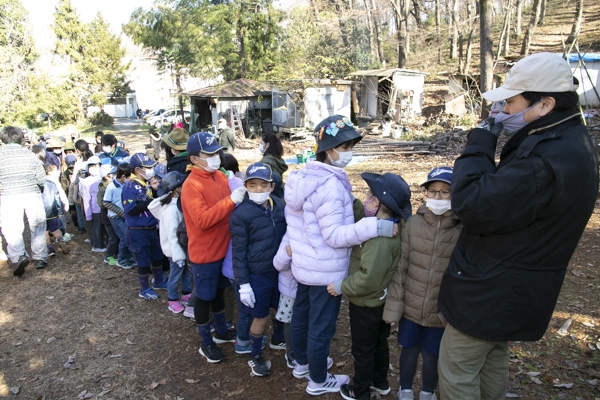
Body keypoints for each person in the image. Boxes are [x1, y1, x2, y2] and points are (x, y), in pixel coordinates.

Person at [436, 52, 599, 399]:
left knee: (457, 369)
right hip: (514, 285)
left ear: (545, 105)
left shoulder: (544, 161)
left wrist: (480, 140)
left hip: (493, 287)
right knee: (492, 360)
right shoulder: (569, 142)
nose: (504, 111)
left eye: (511, 102)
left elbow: (471, 202)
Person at [279, 115, 399, 396]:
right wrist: (376, 226)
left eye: (351, 146)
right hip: (325, 269)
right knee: (321, 326)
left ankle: (303, 362)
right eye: (344, 147)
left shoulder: (301, 177)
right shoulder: (330, 186)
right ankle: (318, 379)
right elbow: (334, 235)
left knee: (302, 315)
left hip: (304, 263)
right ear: (329, 149)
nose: (348, 153)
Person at [326, 172, 411, 400]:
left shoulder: (380, 242)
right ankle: (380, 382)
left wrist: (342, 285)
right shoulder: (388, 225)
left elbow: (368, 279)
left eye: (371, 195)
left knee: (362, 351)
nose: (367, 197)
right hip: (378, 301)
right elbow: (360, 214)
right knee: (379, 343)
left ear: (380, 203)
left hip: (366, 304)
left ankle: (361, 390)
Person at [383, 167, 462, 400]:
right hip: (411, 306)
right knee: (408, 350)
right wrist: (394, 305)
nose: (437, 197)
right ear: (425, 193)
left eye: (445, 192)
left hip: (440, 310)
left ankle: (428, 391)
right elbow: (401, 268)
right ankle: (405, 389)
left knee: (432, 354)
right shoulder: (413, 224)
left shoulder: (461, 229)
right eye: (433, 191)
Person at [180, 132, 246, 363]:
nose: (215, 156)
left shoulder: (219, 175)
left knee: (219, 292)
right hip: (205, 254)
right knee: (204, 298)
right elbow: (203, 220)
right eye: (208, 154)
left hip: (224, 249)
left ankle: (221, 332)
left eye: (216, 152)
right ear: (194, 159)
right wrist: (231, 200)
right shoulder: (191, 185)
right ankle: (205, 342)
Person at [230, 162, 287, 376]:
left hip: (280, 270)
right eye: (252, 186)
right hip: (257, 274)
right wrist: (243, 283)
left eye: (263, 186)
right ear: (245, 186)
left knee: (280, 309)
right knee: (260, 315)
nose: (258, 190)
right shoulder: (240, 215)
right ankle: (255, 355)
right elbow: (238, 252)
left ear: (272, 187)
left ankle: (279, 339)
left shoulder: (280, 206)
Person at [0, 126, 47, 275]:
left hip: (8, 195)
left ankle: (18, 256)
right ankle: (40, 257)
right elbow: (42, 179)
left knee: (12, 228)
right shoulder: (30, 156)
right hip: (32, 194)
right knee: (37, 225)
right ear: (21, 138)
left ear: (2, 140)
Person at [122, 153, 166, 299]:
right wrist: (150, 201)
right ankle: (144, 289)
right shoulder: (129, 186)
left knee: (157, 257)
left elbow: (154, 200)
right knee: (143, 262)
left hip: (152, 228)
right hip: (138, 231)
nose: (151, 170)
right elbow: (131, 209)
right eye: (148, 167)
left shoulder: (147, 184)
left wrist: (154, 190)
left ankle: (159, 281)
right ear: (137, 170)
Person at [148, 171, 192, 314]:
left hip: (183, 248)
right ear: (177, 189)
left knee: (186, 273)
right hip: (175, 251)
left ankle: (186, 293)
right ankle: (172, 299)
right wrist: (178, 255)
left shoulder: (178, 205)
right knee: (175, 274)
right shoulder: (171, 210)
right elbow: (172, 235)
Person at [103, 163, 134, 269]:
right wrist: (121, 212)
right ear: (123, 176)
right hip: (116, 217)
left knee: (128, 237)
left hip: (125, 216)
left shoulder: (125, 185)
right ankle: (121, 259)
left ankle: (129, 257)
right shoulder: (111, 187)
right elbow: (106, 203)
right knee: (124, 238)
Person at [43, 164, 70, 260]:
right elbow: (57, 197)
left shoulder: (38, 184)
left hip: (41, 212)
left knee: (45, 231)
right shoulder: (52, 183)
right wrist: (59, 210)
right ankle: (60, 240)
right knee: (56, 229)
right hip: (52, 211)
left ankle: (50, 249)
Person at [79, 156, 105, 252]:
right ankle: (96, 245)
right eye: (91, 166)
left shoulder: (103, 178)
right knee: (96, 227)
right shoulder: (86, 182)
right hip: (95, 208)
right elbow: (86, 199)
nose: (93, 168)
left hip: (105, 207)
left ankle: (103, 242)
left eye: (95, 166)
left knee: (104, 227)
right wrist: (88, 214)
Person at [98, 164, 119, 265]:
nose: (115, 175)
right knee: (113, 238)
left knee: (117, 236)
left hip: (113, 216)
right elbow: (101, 204)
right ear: (107, 176)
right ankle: (108, 256)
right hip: (107, 217)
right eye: (113, 173)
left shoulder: (113, 185)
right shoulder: (103, 188)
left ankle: (117, 254)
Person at [259, 133, 288, 198]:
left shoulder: (266, 162)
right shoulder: (277, 159)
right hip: (279, 193)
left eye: (261, 143)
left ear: (267, 145)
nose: (259, 145)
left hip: (270, 196)